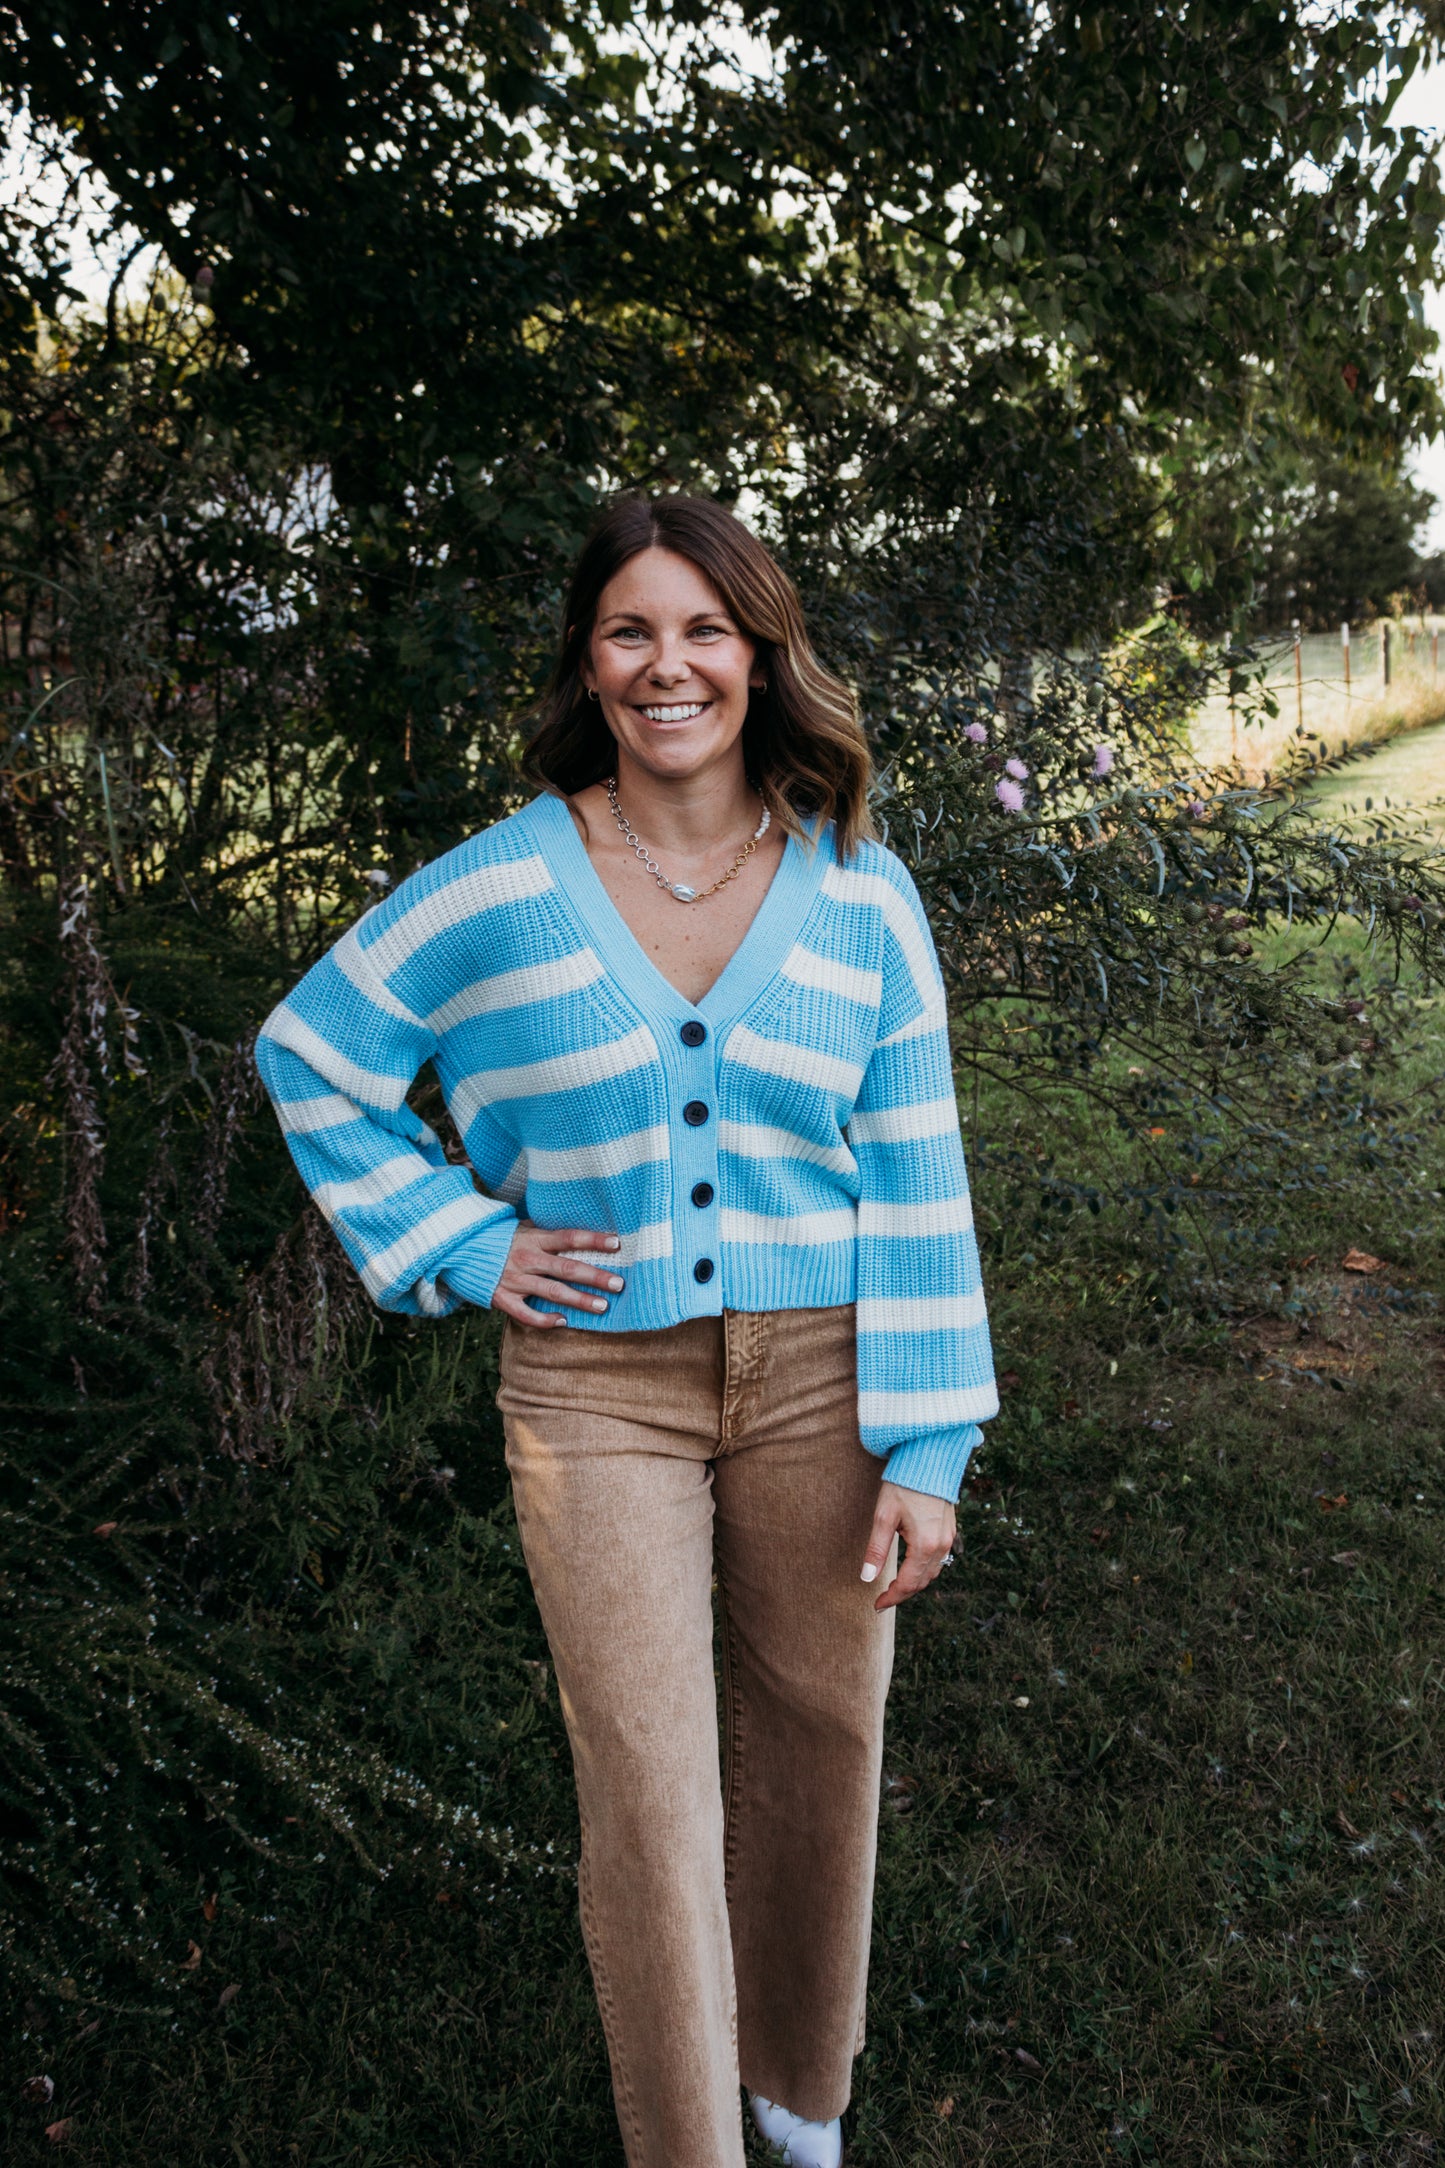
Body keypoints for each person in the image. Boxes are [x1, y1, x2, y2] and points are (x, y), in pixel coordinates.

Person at [255, 494, 998, 2168]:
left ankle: (797, 2098)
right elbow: (313, 1052)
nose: (670, 666)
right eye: (630, 632)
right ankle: (688, 2143)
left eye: (704, 630)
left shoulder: (859, 892)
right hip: (594, 1386)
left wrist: (929, 1442)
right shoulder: (498, 887)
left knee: (823, 1741)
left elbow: (917, 1166)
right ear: (588, 665)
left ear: (760, 655)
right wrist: (463, 1241)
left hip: (826, 1377)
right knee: (649, 1791)